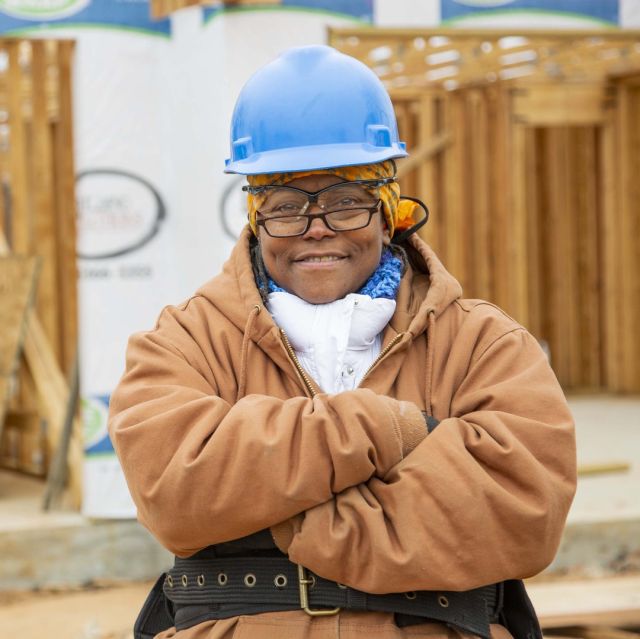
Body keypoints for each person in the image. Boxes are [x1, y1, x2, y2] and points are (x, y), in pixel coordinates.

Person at [108, 45, 576, 639]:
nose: (316, 227)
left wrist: (276, 513)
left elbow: (522, 515)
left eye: (345, 203)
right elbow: (177, 494)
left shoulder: (485, 343)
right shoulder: (183, 341)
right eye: (285, 208)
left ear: (388, 213)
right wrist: (390, 431)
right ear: (255, 219)